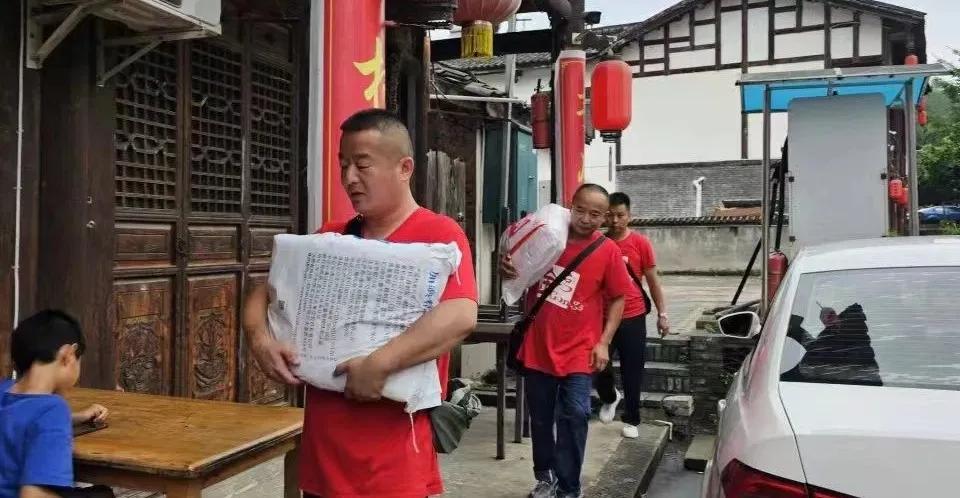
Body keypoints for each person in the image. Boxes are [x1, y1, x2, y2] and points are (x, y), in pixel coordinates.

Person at [243, 109, 478, 498]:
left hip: (394, 461)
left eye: (362, 165)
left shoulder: (438, 234)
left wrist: (379, 364)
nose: (349, 177)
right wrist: (260, 340)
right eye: (343, 165)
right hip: (323, 454)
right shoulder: (331, 236)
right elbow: (264, 290)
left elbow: (460, 315)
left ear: (404, 168)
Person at [500, 184, 633, 498]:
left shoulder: (608, 251)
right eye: (581, 210)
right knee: (541, 419)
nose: (586, 219)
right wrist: (505, 264)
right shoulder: (547, 236)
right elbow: (514, 262)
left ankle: (569, 488)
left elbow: (619, 298)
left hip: (580, 350)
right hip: (538, 345)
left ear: (605, 217)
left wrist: (604, 341)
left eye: (595, 214)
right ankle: (545, 477)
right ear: (570, 206)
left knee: (575, 414)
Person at [1, 310, 113, 498]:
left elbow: (21, 420)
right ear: (68, 355)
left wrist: (77, 417)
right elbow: (34, 495)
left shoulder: (5, 390)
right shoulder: (53, 409)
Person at [595, 192, 670, 439]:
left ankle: (632, 419)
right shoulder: (597, 242)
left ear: (629, 216)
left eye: (620, 215)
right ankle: (610, 397)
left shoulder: (640, 243)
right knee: (597, 365)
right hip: (602, 316)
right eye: (610, 215)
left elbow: (653, 281)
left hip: (633, 315)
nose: (615, 221)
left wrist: (662, 313)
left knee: (632, 369)